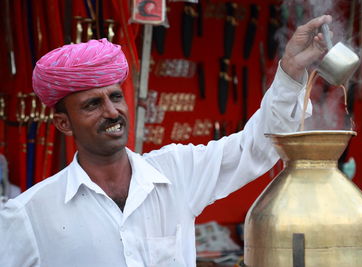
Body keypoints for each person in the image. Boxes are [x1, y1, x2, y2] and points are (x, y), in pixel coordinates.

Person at [0, 15, 331, 267]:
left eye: (115, 97)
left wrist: (288, 72)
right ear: (63, 123)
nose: (112, 111)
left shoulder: (176, 172)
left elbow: (256, 147)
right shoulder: (29, 215)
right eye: (92, 104)